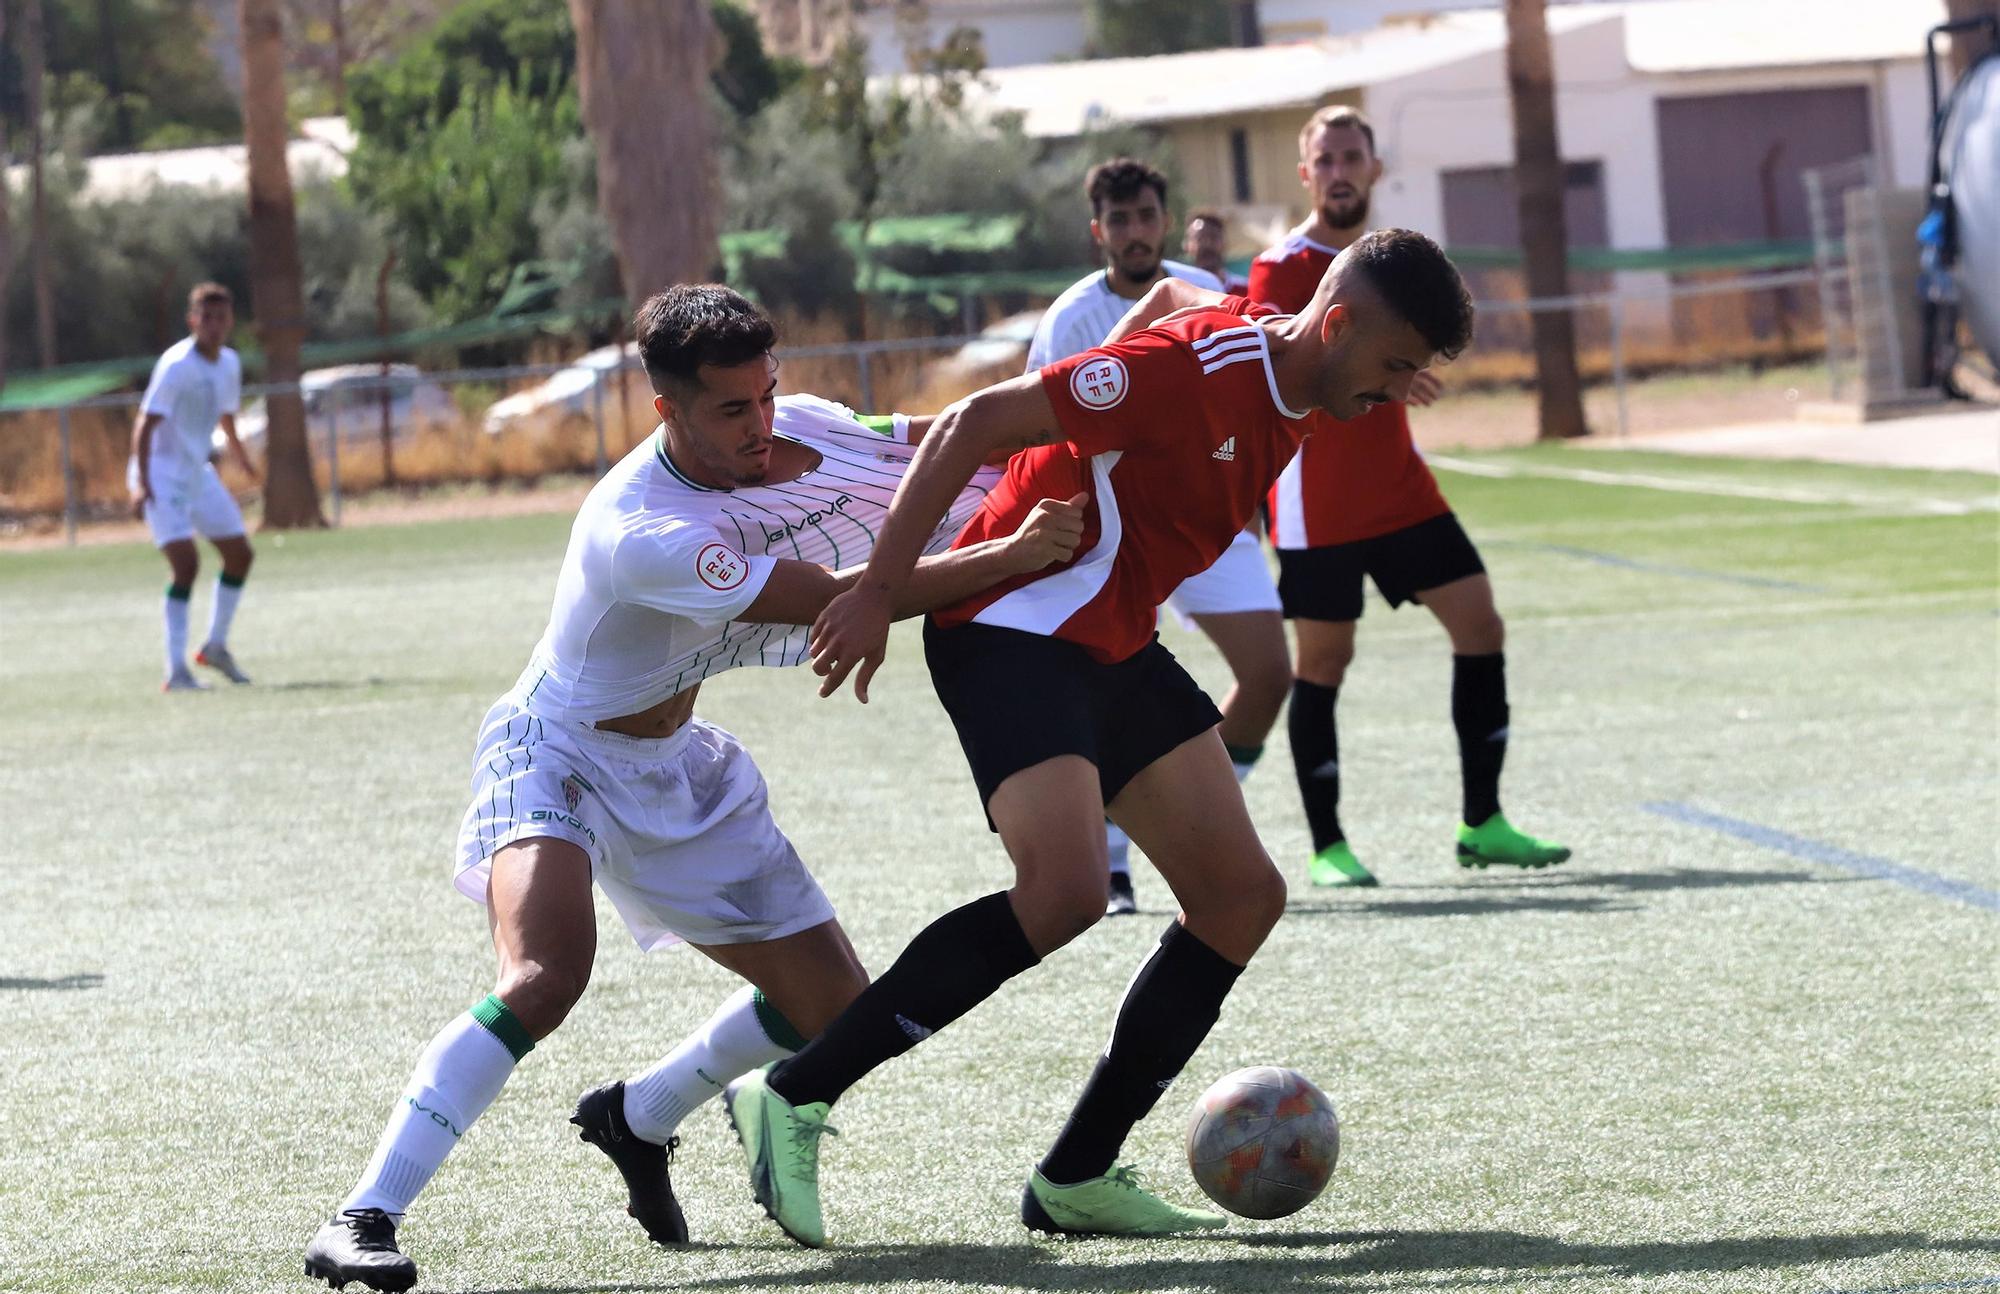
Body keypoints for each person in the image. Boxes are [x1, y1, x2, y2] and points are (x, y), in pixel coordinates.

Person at [302, 284, 1084, 1293]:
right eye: (730, 410)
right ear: (663, 407)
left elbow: (938, 437)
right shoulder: (644, 531)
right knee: (546, 973)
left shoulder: (803, 427)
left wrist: (1090, 412)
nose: (761, 424)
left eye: (767, 394)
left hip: (677, 768)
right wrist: (1013, 553)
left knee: (833, 1006)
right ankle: (362, 1214)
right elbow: (833, 600)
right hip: (558, 752)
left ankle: (636, 1114)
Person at [724, 229, 1477, 1247]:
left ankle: (1075, 1175)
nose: (1394, 393)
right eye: (1393, 368)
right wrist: (876, 591)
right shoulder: (1188, 373)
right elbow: (974, 419)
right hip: (1014, 627)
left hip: (1112, 638)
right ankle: (796, 1093)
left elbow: (1178, 292)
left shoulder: (1292, 359)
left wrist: (1386, 374)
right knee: (1067, 891)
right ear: (1336, 324)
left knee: (1239, 897)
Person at [1249, 105, 1570, 886]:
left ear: (1374, 168)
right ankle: (1328, 845)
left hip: (1399, 487)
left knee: (1480, 622)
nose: (1338, 170)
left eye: (1351, 156)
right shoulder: (1280, 267)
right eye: (1324, 159)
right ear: (1305, 174)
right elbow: (1282, 358)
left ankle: (1482, 821)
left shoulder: (1393, 262)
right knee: (1324, 660)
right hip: (1315, 497)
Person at [1029, 158, 1291, 918]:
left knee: (1271, 673)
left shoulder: (1202, 295)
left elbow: (1249, 396)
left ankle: (1189, 822)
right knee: (1104, 685)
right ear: (1097, 231)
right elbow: (1040, 434)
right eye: (1120, 220)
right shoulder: (1068, 321)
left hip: (1202, 520)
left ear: (1163, 220)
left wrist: (1244, 491)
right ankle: (1111, 863)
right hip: (1109, 528)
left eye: (1146, 216)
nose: (1135, 232)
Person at [129, 282, 258, 690]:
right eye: (207, 318)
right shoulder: (177, 365)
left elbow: (226, 417)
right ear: (193, 321)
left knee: (239, 554)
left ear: (230, 321)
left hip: (197, 472)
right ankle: (176, 671)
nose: (215, 325)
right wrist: (141, 484)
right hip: (161, 473)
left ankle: (215, 646)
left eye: (222, 318)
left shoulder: (229, 364)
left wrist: (242, 458)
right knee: (186, 564)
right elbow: (145, 422)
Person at [1183, 209, 1251, 294]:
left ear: (1225, 243)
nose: (1207, 244)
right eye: (1200, 238)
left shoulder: (1247, 290)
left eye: (1213, 237)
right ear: (1187, 246)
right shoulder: (1181, 291)